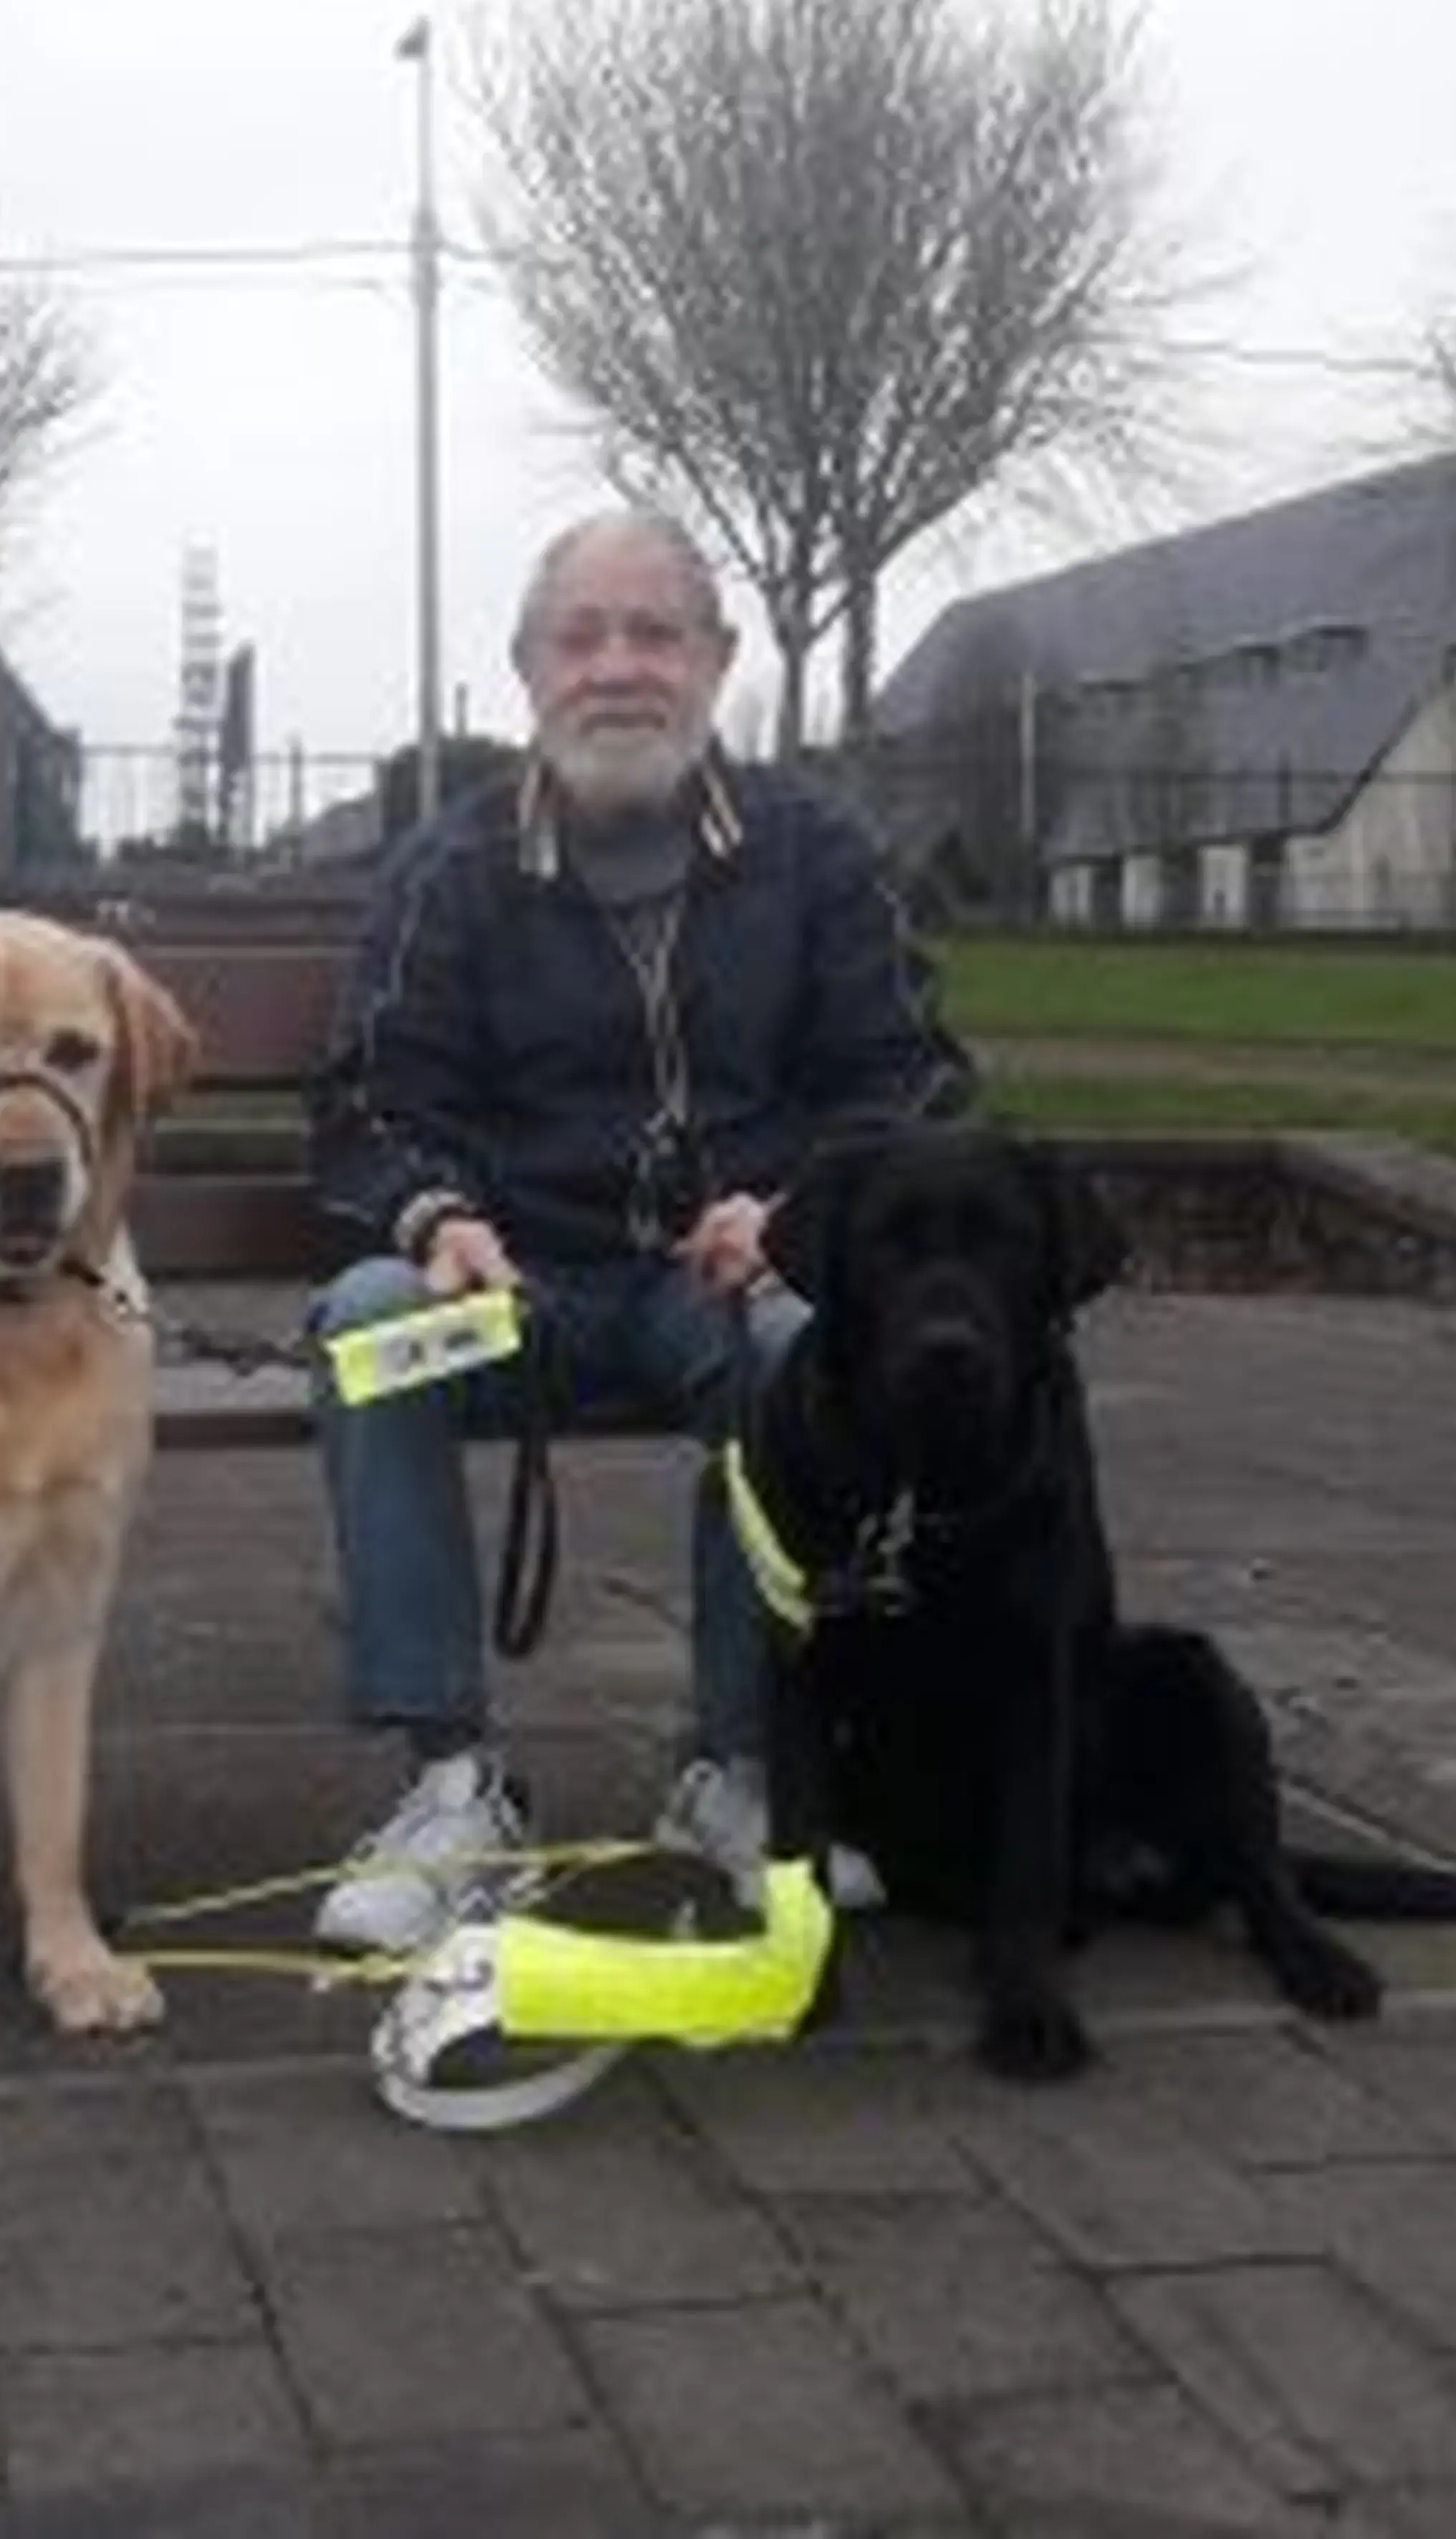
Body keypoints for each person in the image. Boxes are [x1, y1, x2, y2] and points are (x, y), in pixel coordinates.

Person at [303, 507, 974, 1954]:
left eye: (655, 633)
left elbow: (904, 1073)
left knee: (806, 1344)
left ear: (717, 660)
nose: (618, 667)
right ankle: (449, 1791)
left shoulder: (816, 850)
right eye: (582, 636)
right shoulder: (450, 868)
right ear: (528, 668)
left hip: (719, 1283)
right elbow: (368, 1101)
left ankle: (735, 1769)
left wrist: (799, 1205)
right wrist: (438, 1216)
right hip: (512, 1290)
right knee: (368, 1328)